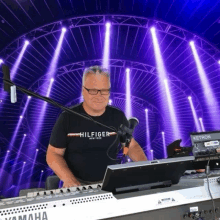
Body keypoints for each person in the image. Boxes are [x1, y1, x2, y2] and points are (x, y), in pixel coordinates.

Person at [46, 66, 147, 188]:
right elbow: (53, 154)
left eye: (104, 90)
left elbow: (130, 146)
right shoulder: (67, 118)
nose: (99, 96)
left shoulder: (117, 116)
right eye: (93, 90)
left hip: (112, 181)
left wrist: (146, 168)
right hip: (77, 184)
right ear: (83, 90)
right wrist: (69, 180)